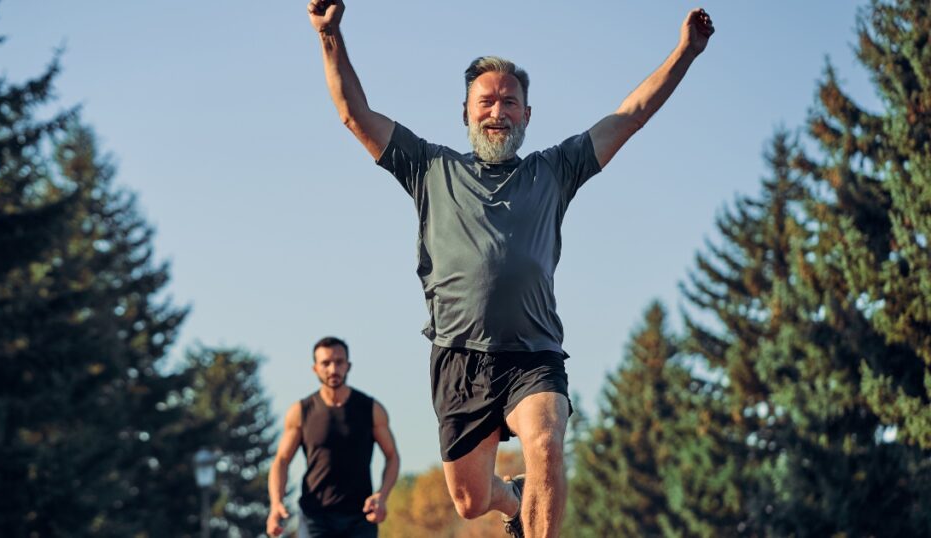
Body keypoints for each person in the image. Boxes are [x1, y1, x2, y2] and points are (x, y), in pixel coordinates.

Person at [305, 2, 714, 536]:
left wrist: (685, 52)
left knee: (545, 443)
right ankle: (513, 498)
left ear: (525, 114)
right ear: (466, 112)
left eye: (509, 102)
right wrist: (330, 34)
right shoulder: (429, 166)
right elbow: (354, 114)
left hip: (534, 353)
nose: (497, 110)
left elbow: (630, 114)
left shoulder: (555, 169)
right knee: (470, 500)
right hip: (458, 357)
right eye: (486, 101)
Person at [267, 337, 400, 538]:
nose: (333, 369)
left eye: (339, 362)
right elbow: (282, 460)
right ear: (315, 368)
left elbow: (392, 456)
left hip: (360, 516)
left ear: (348, 365)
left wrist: (382, 495)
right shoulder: (301, 412)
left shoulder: (370, 409)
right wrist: (276, 503)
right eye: (325, 363)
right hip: (315, 516)